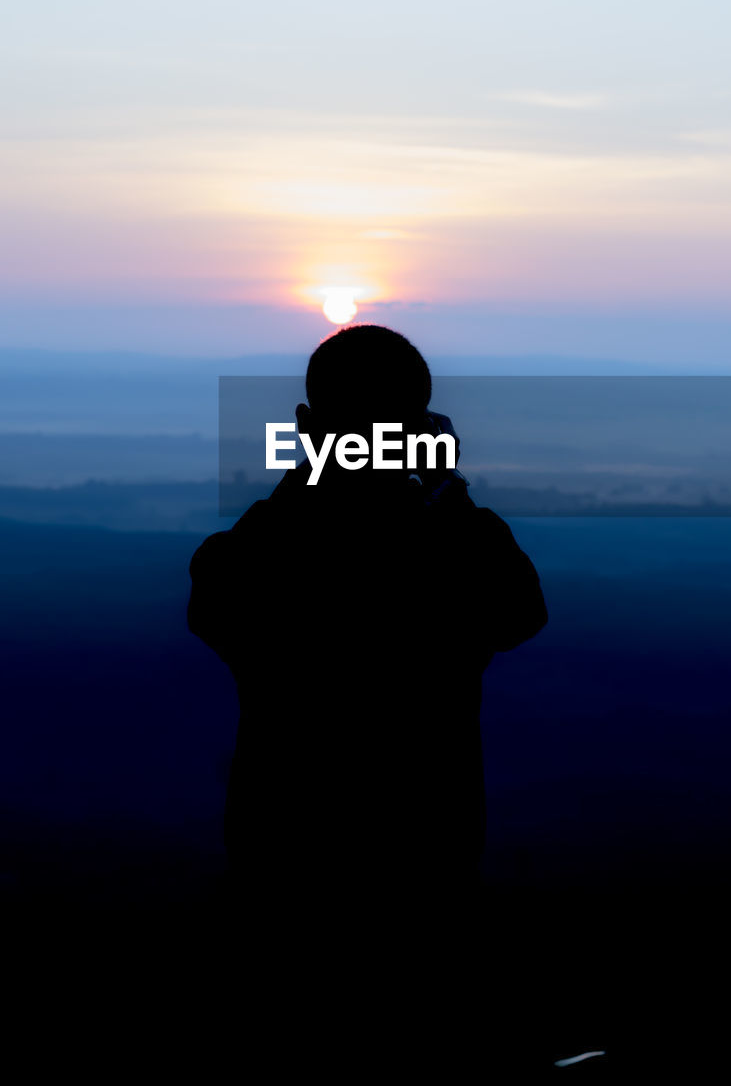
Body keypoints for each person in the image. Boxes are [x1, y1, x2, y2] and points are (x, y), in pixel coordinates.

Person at [187, 326, 547, 929]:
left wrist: (313, 470)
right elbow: (520, 612)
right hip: (428, 871)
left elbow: (216, 600)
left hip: (282, 871)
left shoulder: (258, 554)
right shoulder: (452, 549)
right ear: (423, 429)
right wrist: (445, 487)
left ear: (307, 423)